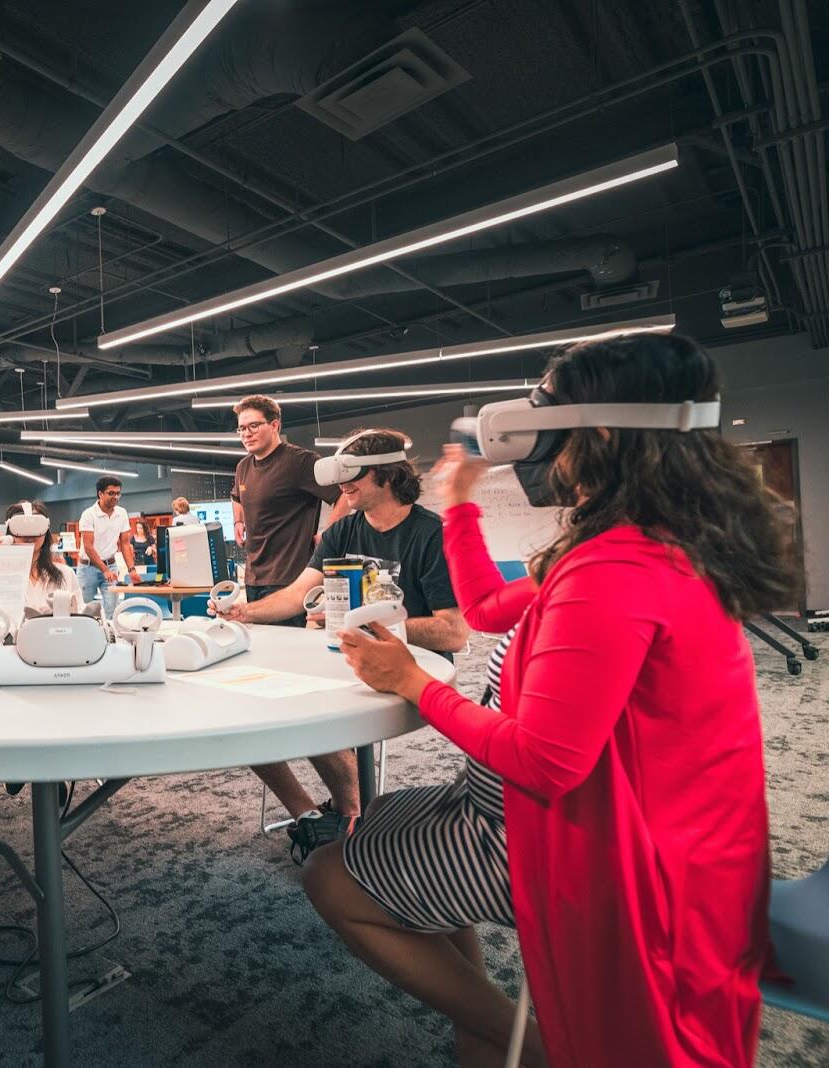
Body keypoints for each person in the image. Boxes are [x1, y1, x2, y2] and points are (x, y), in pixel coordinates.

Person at [313, 332, 793, 1068]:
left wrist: (409, 682)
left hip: (582, 846)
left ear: (597, 435)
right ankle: (480, 1030)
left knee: (330, 877)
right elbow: (489, 605)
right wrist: (462, 505)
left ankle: (522, 1042)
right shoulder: (643, 541)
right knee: (381, 815)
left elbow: (546, 761)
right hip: (576, 819)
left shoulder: (613, 570)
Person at [218, 429, 467, 851]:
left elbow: (454, 633)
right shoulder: (343, 532)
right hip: (342, 654)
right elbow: (299, 594)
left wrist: (369, 625)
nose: (342, 487)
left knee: (308, 711)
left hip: (410, 663)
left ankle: (350, 818)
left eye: (353, 476)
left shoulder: (431, 534)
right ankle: (313, 816)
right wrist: (246, 611)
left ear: (387, 475)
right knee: (249, 709)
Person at [230, 395, 350, 619]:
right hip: (254, 576)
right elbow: (237, 495)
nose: (246, 433)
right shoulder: (243, 466)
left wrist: (328, 533)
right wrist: (238, 521)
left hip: (289, 579)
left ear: (275, 424)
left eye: (253, 426)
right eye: (241, 428)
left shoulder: (300, 462)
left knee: (285, 649)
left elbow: (344, 495)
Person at [1, 500, 81, 614]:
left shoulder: (66, 574)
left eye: (36, 526)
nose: (29, 534)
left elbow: (80, 613)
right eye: (22, 526)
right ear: (10, 531)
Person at [77, 477, 142, 617]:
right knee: (84, 610)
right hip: (87, 568)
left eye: (118, 493)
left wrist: (132, 570)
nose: (116, 497)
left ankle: (109, 638)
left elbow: (125, 543)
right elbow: (88, 546)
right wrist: (104, 569)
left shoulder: (122, 513)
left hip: (111, 566)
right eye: (111, 493)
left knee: (112, 610)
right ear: (100, 494)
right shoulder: (89, 514)